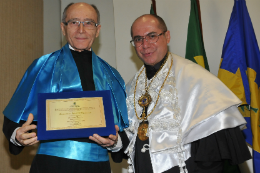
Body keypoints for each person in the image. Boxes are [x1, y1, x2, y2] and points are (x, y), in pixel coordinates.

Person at [2, 2, 128, 173]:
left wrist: (116, 143)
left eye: (89, 23)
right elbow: (12, 120)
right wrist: (18, 135)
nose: (81, 30)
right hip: (51, 166)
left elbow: (125, 131)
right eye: (74, 22)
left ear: (98, 30)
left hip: (99, 168)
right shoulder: (43, 66)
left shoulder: (112, 75)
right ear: (63, 28)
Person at [122, 14, 251, 173]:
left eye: (152, 36)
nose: (145, 44)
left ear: (167, 36)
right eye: (138, 39)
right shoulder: (132, 86)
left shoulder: (197, 80)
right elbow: (130, 138)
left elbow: (212, 157)